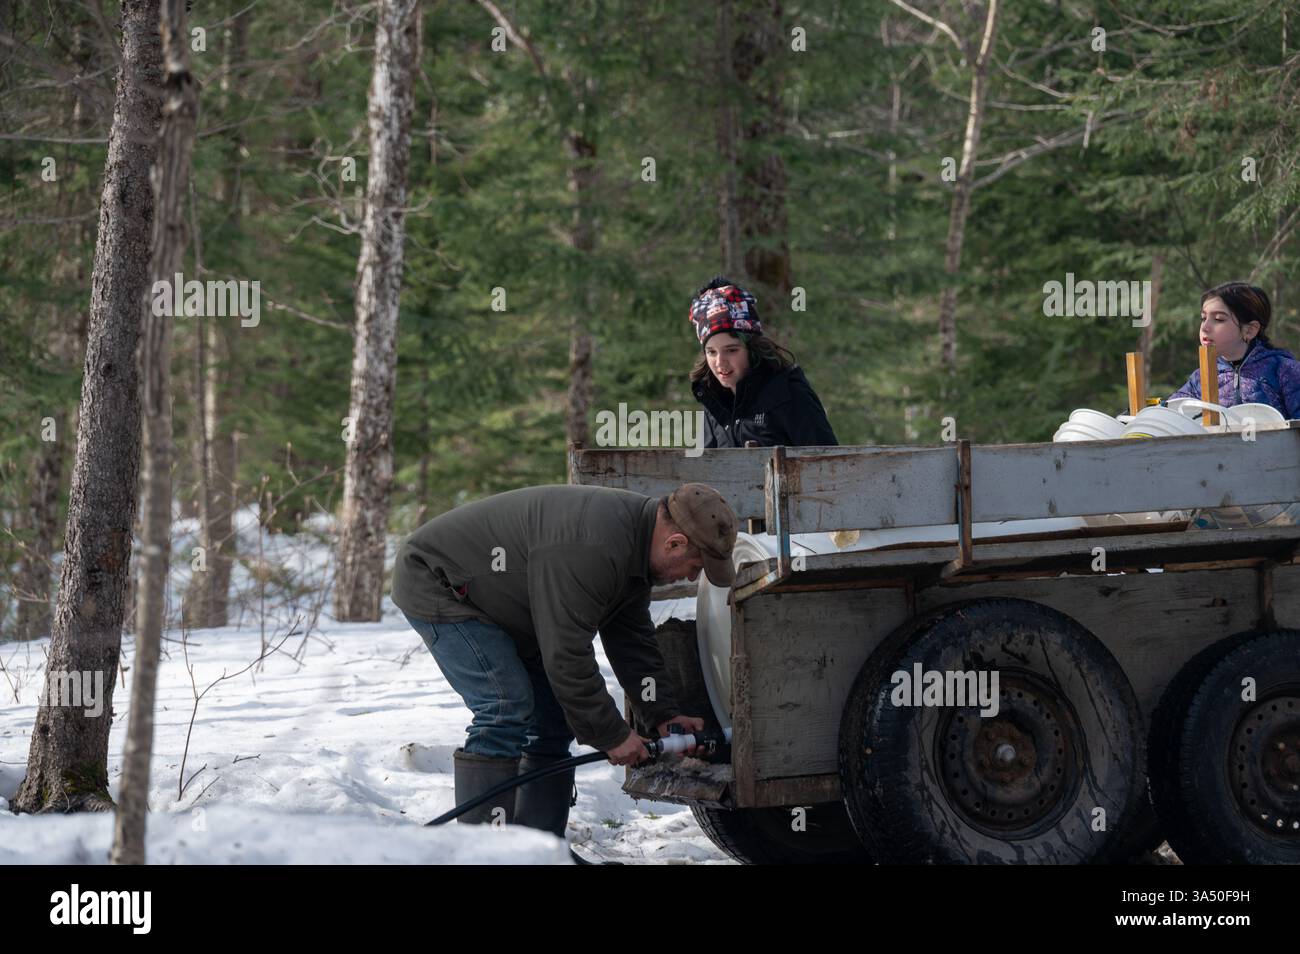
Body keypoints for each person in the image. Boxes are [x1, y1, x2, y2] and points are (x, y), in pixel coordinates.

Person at [390, 482, 737, 839]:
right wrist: (612, 734)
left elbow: (630, 639)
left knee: (552, 722)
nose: (693, 577)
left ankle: (538, 850)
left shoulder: (635, 545)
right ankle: (485, 853)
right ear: (675, 543)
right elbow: (566, 654)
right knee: (504, 707)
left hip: (501, 599)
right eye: (695, 565)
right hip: (440, 582)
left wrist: (662, 714)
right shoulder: (593, 547)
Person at [688, 276, 839, 447]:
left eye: (731, 350)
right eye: (712, 352)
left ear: (751, 347)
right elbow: (706, 469)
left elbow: (827, 462)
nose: (720, 362)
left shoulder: (788, 392)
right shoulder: (713, 401)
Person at [1166, 281, 1300, 419]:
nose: (1205, 327)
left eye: (1218, 319)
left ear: (1249, 330)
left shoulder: (1284, 370)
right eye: (1203, 318)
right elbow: (1168, 416)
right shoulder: (1200, 377)